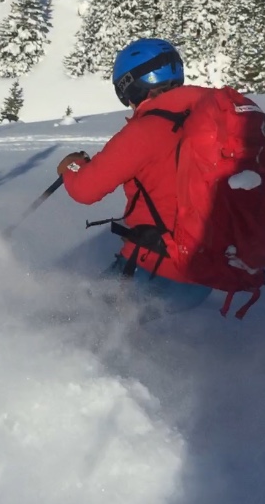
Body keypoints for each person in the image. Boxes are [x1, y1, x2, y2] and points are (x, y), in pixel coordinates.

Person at [56, 37, 218, 319]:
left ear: (132, 86)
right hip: (208, 275)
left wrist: (71, 166)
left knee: (76, 321)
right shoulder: (212, 120)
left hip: (157, 272)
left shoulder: (146, 131)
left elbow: (85, 190)